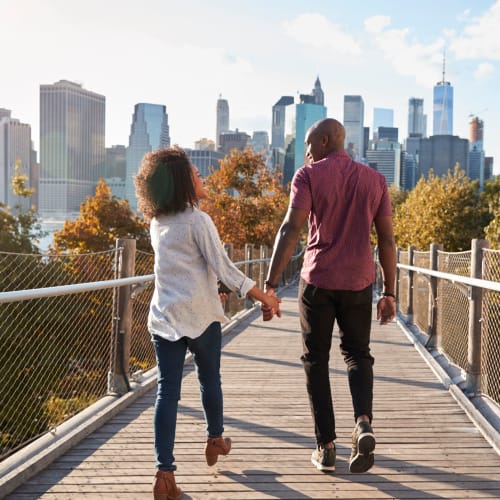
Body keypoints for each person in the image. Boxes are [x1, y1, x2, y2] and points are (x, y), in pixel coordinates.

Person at [134, 146, 281, 500]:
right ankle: (215, 439)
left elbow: (183, 268)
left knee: (166, 393)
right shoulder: (198, 220)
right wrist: (264, 297)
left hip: (165, 318)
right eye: (197, 174)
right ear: (184, 181)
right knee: (208, 378)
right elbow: (224, 267)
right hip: (200, 317)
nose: (204, 179)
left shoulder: (157, 223)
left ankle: (164, 474)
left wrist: (212, 287)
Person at [262, 118, 396, 474]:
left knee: (315, 360)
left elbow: (292, 227)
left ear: (325, 140)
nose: (305, 152)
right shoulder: (376, 180)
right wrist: (390, 291)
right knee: (357, 354)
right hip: (359, 281)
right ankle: (363, 422)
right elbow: (386, 240)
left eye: (308, 144)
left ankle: (326, 446)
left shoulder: (307, 176)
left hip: (318, 280)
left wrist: (271, 283)